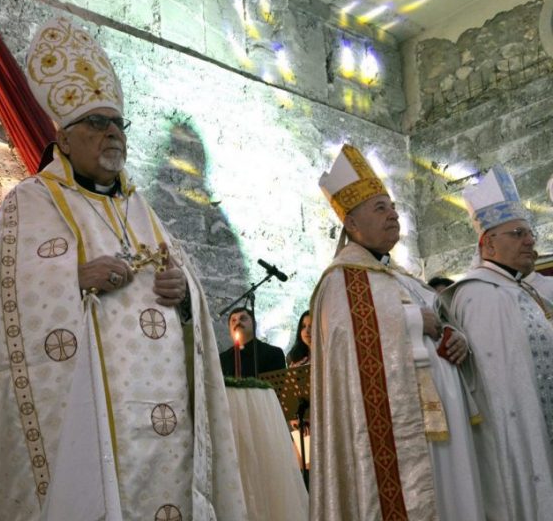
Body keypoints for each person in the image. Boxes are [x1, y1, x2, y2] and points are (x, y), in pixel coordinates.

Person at [0, 17, 247, 520]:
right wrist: (73, 279)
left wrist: (187, 293)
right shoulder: (30, 203)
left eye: (117, 124)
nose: (112, 134)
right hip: (87, 420)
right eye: (97, 123)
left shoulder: (143, 209)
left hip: (165, 422)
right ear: (62, 139)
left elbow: (186, 287)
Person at [310, 144, 484, 520]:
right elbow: (347, 338)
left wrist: (457, 339)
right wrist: (410, 322)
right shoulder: (341, 280)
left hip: (448, 423)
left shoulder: (404, 277)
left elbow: (443, 319)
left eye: (392, 206)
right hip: (401, 433)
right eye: (380, 208)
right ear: (352, 224)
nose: (393, 214)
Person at [439, 167, 553, 520]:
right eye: (517, 234)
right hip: (514, 445)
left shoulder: (523, 288)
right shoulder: (477, 293)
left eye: (529, 233)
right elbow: (497, 388)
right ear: (487, 243)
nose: (529, 241)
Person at [219, 306, 286, 377]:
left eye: (243, 318)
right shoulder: (222, 359)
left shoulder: (273, 354)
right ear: (230, 329)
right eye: (233, 320)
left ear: (254, 324)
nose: (238, 322)